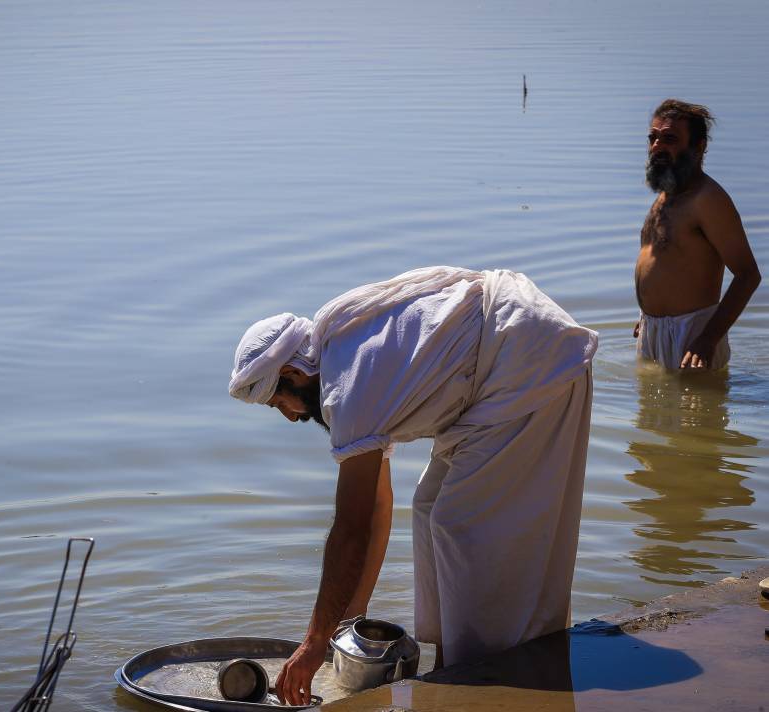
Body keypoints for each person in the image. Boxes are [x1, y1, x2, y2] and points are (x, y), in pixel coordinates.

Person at [229, 266, 597, 705]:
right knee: (429, 508)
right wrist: (349, 625)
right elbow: (379, 506)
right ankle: (453, 662)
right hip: (504, 360)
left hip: (530, 361)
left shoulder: (348, 387)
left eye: (279, 402)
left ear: (292, 372)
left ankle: (486, 671)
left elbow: (352, 528)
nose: (290, 415)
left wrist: (312, 643)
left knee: (462, 525)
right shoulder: (343, 358)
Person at [635, 99, 761, 370]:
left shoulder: (708, 199)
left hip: (692, 337)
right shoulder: (666, 196)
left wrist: (707, 339)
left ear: (699, 146)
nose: (657, 145)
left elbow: (748, 275)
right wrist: (647, 312)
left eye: (669, 138)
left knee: (695, 412)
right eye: (653, 137)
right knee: (648, 412)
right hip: (652, 329)